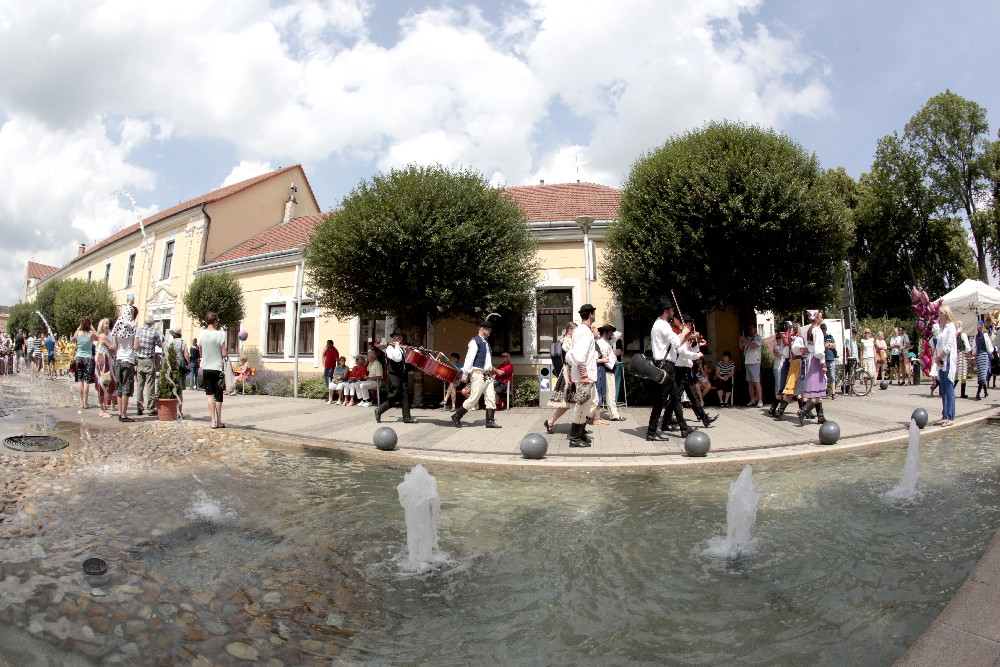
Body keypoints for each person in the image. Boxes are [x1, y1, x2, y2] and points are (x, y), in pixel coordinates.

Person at [646, 299, 696, 441]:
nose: (674, 313)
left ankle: (684, 428)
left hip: (665, 365)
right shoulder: (663, 325)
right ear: (666, 311)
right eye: (672, 310)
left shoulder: (659, 324)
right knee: (660, 399)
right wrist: (684, 331)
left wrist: (686, 337)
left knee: (675, 397)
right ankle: (651, 432)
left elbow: (676, 344)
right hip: (666, 365)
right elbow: (676, 342)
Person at [451, 321, 501, 428]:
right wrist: (465, 373)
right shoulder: (475, 342)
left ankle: (490, 421)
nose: (490, 331)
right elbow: (469, 359)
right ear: (482, 328)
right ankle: (457, 416)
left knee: (491, 397)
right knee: (473, 398)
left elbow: (487, 361)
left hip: (487, 375)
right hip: (478, 374)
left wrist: (491, 369)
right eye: (489, 329)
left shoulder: (486, 342)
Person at [674, 315, 717, 428]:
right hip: (680, 370)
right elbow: (683, 353)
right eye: (690, 324)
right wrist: (697, 355)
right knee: (676, 397)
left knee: (693, 396)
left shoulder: (686, 337)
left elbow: (689, 351)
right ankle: (666, 420)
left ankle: (704, 418)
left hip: (686, 370)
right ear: (685, 324)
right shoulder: (680, 337)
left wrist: (698, 347)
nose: (691, 327)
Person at [566, 304, 599, 446]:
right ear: (591, 314)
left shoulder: (582, 330)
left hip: (585, 375)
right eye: (594, 313)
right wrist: (584, 376)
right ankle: (575, 438)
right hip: (584, 377)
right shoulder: (584, 332)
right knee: (582, 406)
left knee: (590, 403)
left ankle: (581, 432)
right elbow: (579, 356)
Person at [375, 328, 417, 424]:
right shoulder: (390, 347)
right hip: (394, 375)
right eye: (397, 335)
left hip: (403, 373)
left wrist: (419, 351)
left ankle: (407, 417)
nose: (399, 337)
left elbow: (408, 359)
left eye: (400, 335)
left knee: (405, 395)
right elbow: (397, 358)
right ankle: (379, 410)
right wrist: (397, 346)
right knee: (393, 396)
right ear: (393, 337)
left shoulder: (403, 347)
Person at [543, 322, 577, 434]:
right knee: (570, 402)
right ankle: (578, 428)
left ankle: (579, 427)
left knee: (572, 402)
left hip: (573, 372)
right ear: (569, 330)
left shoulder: (570, 341)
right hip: (569, 373)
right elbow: (571, 358)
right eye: (575, 330)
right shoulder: (566, 342)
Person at [798, 311, 828, 425]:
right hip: (816, 360)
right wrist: (823, 363)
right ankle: (804, 411)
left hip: (810, 359)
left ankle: (820, 416)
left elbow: (809, 347)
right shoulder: (817, 330)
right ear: (815, 318)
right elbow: (819, 350)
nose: (822, 319)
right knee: (817, 392)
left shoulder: (809, 329)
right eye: (820, 317)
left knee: (817, 390)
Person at [200, 311, 228, 429]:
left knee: (210, 395)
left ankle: (212, 421)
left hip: (206, 367)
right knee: (218, 395)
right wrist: (224, 354)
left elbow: (200, 352)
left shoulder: (202, 334)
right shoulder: (220, 335)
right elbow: (224, 353)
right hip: (218, 368)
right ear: (215, 321)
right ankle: (219, 421)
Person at [111, 305, 138, 422]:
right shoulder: (134, 328)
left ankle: (119, 413)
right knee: (126, 388)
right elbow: (136, 346)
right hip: (128, 360)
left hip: (119, 360)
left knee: (119, 388)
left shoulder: (118, 327)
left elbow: (114, 346)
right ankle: (123, 415)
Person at [134, 314, 163, 416]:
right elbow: (160, 344)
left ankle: (139, 407)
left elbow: (136, 345)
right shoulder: (154, 333)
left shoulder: (139, 331)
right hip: (149, 360)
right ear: (152, 323)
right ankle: (150, 408)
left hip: (140, 360)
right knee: (150, 385)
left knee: (140, 385)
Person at [934, 305, 958, 426]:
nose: (939, 316)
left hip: (947, 360)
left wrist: (940, 357)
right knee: (943, 389)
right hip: (941, 360)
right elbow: (938, 344)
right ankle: (944, 415)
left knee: (949, 388)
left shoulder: (951, 327)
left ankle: (950, 416)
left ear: (946, 314)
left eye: (941, 313)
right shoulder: (942, 328)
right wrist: (936, 358)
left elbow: (948, 346)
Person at [596, 325, 625, 421]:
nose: (611, 335)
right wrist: (612, 363)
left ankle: (590, 414)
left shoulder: (605, 342)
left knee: (608, 393)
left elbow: (617, 335)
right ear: (605, 333)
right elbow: (605, 357)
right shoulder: (602, 343)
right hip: (607, 369)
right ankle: (614, 415)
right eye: (610, 333)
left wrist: (610, 328)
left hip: (608, 369)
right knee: (610, 393)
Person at [73, 317, 99, 409]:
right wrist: (92, 328)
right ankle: (85, 402)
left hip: (79, 357)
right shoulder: (91, 334)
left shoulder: (78, 333)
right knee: (87, 381)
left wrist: (79, 327)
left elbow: (74, 337)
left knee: (80, 380)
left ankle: (81, 402)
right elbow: (98, 337)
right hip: (88, 357)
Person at [94, 318, 118, 418]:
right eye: (105, 324)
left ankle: (104, 407)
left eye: (108, 324)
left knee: (105, 383)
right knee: (103, 383)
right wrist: (115, 343)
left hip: (104, 360)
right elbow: (113, 349)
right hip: (103, 362)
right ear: (101, 326)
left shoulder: (104, 336)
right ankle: (101, 409)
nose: (107, 326)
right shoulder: (103, 336)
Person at [166, 326, 190, 414]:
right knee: (179, 391)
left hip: (171, 367)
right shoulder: (183, 343)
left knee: (171, 388)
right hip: (180, 368)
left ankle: (171, 410)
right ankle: (179, 411)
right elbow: (186, 355)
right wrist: (188, 365)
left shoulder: (170, 343)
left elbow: (166, 354)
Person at [768, 325, 790, 416]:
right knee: (778, 386)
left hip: (784, 367)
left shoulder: (786, 347)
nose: (780, 340)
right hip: (777, 367)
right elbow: (779, 354)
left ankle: (779, 403)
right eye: (778, 338)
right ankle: (776, 404)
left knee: (784, 386)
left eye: (781, 338)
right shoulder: (776, 347)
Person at [739, 323, 762, 407]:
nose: (750, 330)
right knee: (750, 382)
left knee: (756, 382)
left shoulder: (758, 337)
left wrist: (744, 340)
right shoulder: (748, 338)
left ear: (755, 329)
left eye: (751, 328)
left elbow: (754, 346)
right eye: (749, 328)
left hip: (754, 362)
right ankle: (752, 399)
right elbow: (742, 349)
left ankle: (760, 400)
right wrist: (740, 340)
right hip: (747, 362)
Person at [974, 320, 993, 400]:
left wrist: (975, 355)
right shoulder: (985, 335)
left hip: (979, 356)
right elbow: (989, 346)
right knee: (983, 374)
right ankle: (978, 393)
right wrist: (991, 352)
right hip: (984, 356)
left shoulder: (976, 336)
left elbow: (974, 347)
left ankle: (985, 391)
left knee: (981, 374)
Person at [955, 321, 970, 399]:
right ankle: (962, 393)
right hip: (963, 354)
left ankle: (952, 389)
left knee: (957, 373)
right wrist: (969, 356)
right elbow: (967, 346)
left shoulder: (955, 336)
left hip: (957, 354)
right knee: (963, 373)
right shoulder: (963, 335)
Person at [822, 323, 837, 397]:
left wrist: (827, 345)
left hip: (830, 358)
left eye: (824, 328)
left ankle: (833, 392)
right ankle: (824, 391)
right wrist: (828, 345)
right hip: (822, 359)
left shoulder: (830, 337)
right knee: (823, 376)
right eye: (822, 329)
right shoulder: (820, 337)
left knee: (832, 376)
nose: (823, 330)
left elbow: (834, 345)